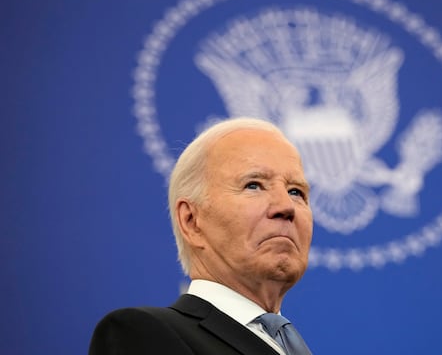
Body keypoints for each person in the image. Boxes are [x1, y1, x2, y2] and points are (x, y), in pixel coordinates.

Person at [89, 117, 314, 355]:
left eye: (295, 191)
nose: (286, 206)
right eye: (253, 185)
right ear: (192, 221)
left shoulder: (289, 345)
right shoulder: (143, 335)